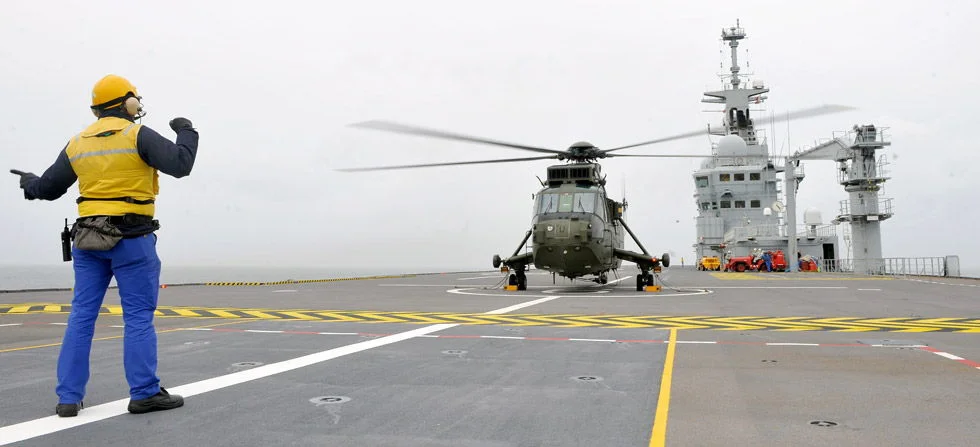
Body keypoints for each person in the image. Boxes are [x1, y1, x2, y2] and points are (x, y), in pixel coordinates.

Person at [10, 74, 199, 417]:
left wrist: (30, 183)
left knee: (81, 316)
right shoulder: (136, 134)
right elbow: (180, 165)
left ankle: (68, 398)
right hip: (132, 239)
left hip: (87, 240)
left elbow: (50, 188)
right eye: (135, 100)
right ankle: (144, 392)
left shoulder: (77, 142)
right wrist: (187, 130)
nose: (138, 105)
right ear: (127, 103)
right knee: (138, 317)